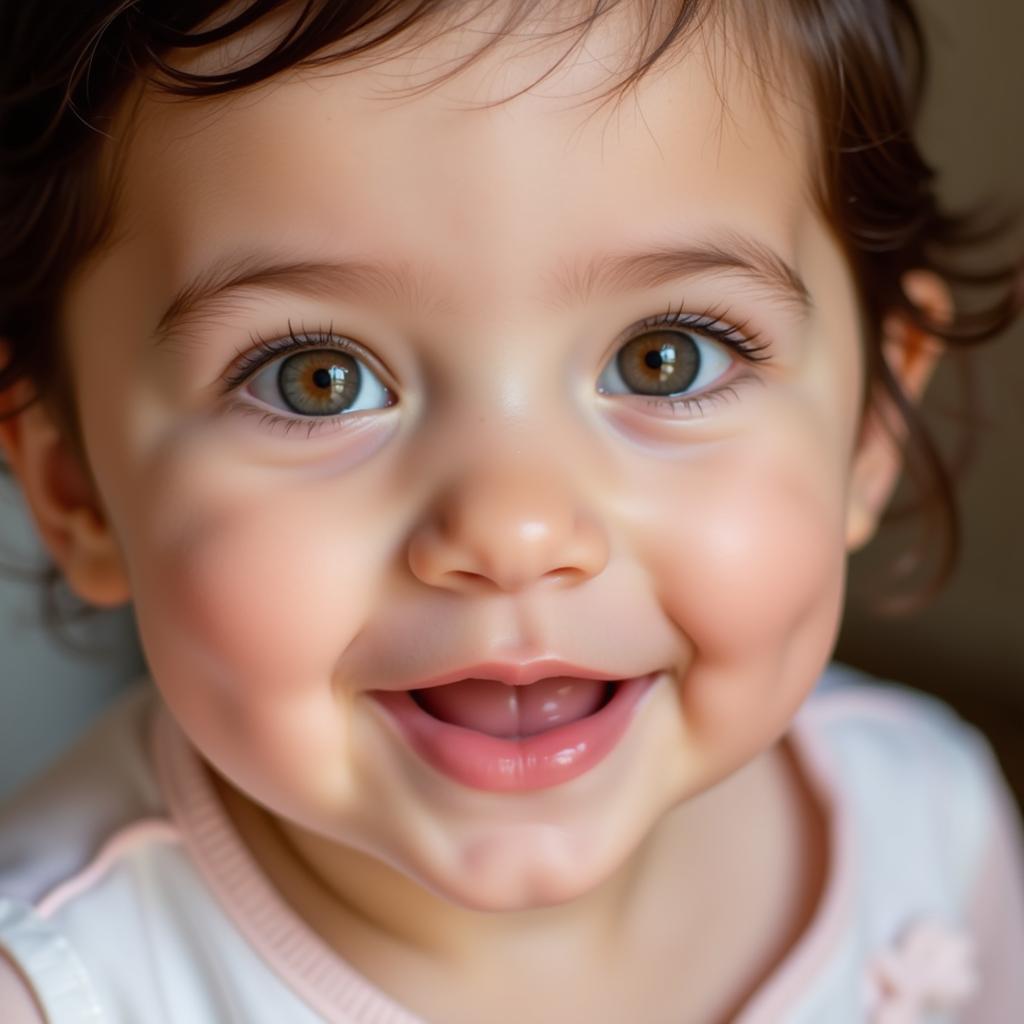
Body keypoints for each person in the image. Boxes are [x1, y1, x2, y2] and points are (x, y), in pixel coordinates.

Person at [0, 0, 1021, 1020]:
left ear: (869, 424)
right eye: (317, 379)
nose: (515, 530)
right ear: (73, 486)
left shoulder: (927, 823)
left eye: (663, 360)